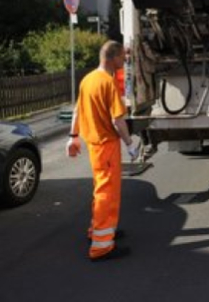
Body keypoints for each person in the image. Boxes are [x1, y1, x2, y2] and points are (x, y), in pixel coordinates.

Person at [66, 40, 139, 262]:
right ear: (113, 57)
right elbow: (118, 120)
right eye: (122, 58)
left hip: (94, 145)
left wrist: (73, 136)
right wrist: (129, 143)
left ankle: (100, 231)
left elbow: (78, 110)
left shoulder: (88, 80)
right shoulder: (107, 82)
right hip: (106, 144)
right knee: (107, 193)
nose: (124, 61)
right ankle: (101, 247)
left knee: (102, 189)